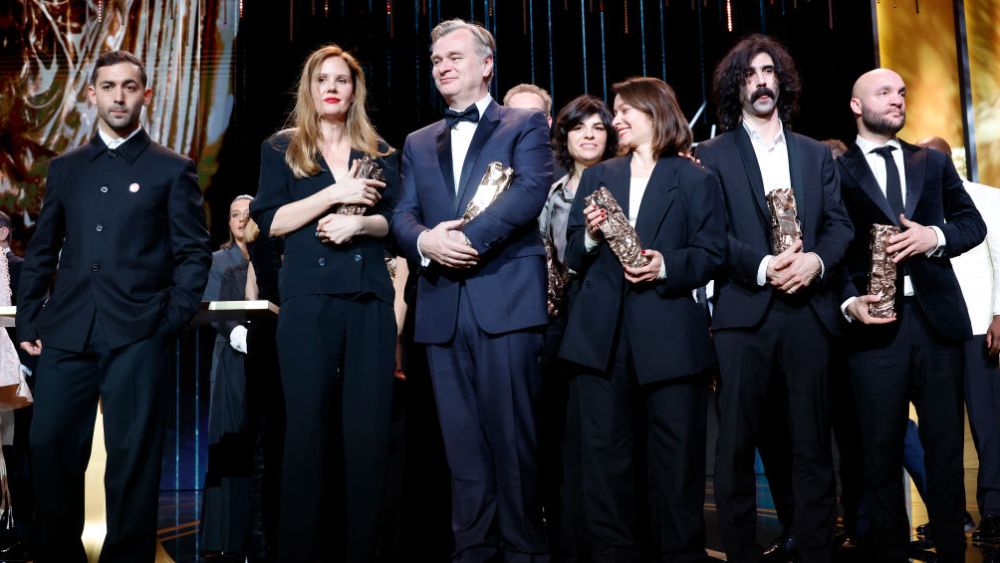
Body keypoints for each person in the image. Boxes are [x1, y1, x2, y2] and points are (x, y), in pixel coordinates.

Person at [16, 50, 211, 562]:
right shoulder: (66, 169)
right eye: (108, 86)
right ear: (92, 94)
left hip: (138, 332)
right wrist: (30, 318)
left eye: (129, 87)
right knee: (49, 444)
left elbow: (194, 255)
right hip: (68, 330)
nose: (118, 96)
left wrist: (168, 320)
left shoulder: (172, 169)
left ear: (145, 95)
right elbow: (41, 249)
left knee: (133, 457)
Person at [391, 18, 553, 562]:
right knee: (462, 453)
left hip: (505, 302)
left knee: (514, 446)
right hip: (440, 310)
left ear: (486, 65)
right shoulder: (417, 142)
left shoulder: (525, 124)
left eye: (454, 57)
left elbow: (531, 190)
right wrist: (426, 243)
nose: (442, 66)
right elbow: (402, 214)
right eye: (436, 60)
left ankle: (525, 553)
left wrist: (466, 241)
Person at [696, 34, 853, 563]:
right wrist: (764, 266)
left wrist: (816, 262)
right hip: (744, 313)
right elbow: (711, 234)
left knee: (812, 443)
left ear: (781, 81)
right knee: (737, 445)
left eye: (768, 72)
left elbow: (838, 225)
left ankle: (814, 548)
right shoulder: (709, 155)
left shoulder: (814, 154)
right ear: (733, 87)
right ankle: (742, 553)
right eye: (748, 74)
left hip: (810, 311)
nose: (761, 81)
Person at [557, 76, 724, 562]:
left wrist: (665, 264)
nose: (616, 119)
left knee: (676, 470)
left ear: (657, 114)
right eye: (616, 110)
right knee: (606, 468)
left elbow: (711, 253)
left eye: (627, 110)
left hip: (670, 338)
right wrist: (588, 237)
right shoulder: (598, 177)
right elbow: (571, 252)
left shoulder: (695, 178)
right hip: (600, 343)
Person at [250, 44, 398, 563]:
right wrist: (335, 195)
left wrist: (361, 222)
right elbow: (271, 222)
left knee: (368, 437)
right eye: (322, 80)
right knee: (306, 434)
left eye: (342, 79)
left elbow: (395, 227)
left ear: (355, 90)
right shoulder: (282, 149)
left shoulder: (380, 151)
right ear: (309, 90)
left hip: (368, 302)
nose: (332, 87)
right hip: (309, 303)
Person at [836, 68, 985, 563]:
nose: (897, 99)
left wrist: (934, 238)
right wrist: (847, 302)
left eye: (902, 91)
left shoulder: (932, 163)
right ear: (857, 105)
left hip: (939, 323)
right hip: (874, 326)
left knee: (944, 455)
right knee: (878, 455)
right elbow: (827, 247)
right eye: (884, 92)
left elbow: (972, 224)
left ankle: (951, 550)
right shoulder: (832, 170)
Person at [539, 94, 618, 555]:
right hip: (565, 318)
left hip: (615, 311)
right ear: (564, 136)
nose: (588, 135)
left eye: (598, 127)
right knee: (567, 433)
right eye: (578, 127)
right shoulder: (552, 193)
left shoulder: (623, 180)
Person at [200, 194, 254, 558]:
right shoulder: (219, 261)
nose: (239, 220)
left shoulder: (269, 257)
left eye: (246, 215)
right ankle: (222, 538)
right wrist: (238, 333)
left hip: (264, 357)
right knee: (228, 443)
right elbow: (210, 307)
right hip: (231, 354)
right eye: (233, 214)